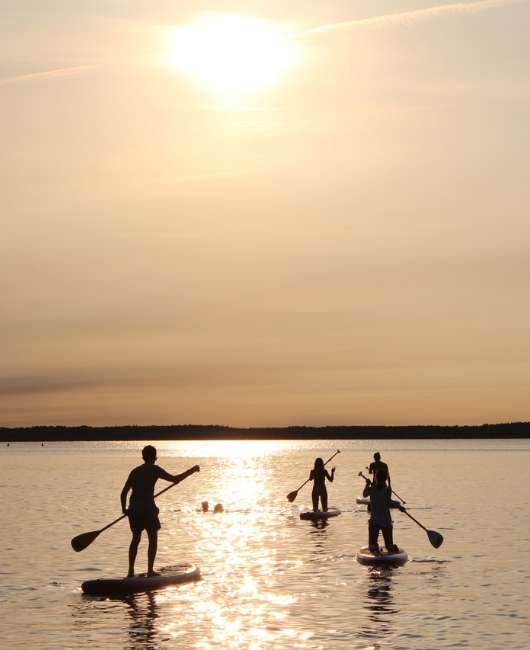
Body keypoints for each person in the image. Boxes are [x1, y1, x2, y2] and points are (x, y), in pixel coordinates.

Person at [120, 445, 200, 578]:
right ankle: (150, 571)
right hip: (148, 509)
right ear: (155, 457)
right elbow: (175, 479)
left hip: (134, 509)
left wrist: (124, 509)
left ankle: (130, 572)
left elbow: (123, 493)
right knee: (153, 538)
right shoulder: (155, 469)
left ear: (143, 457)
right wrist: (191, 470)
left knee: (135, 539)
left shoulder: (134, 471)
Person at [362, 469, 403, 553]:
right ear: (385, 479)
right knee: (389, 546)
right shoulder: (387, 490)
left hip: (375, 522)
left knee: (372, 547)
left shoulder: (372, 489)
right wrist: (399, 506)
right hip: (386, 521)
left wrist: (367, 484)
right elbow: (389, 503)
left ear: (376, 478)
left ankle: (375, 547)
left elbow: (364, 494)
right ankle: (390, 547)